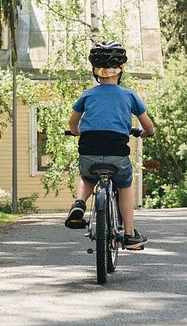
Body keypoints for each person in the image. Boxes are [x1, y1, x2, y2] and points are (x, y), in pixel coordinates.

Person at [64, 41, 155, 250]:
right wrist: (146, 133)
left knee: (88, 177)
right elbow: (148, 126)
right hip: (116, 152)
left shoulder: (87, 94)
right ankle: (130, 234)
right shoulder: (129, 95)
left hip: (90, 148)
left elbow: (72, 123)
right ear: (120, 70)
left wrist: (78, 132)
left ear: (96, 72)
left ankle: (79, 204)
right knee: (124, 185)